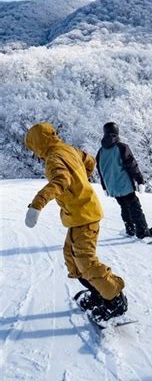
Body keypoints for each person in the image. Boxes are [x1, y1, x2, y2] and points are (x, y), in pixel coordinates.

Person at [24, 122, 128, 324]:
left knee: (85, 261)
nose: (35, 154)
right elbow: (88, 160)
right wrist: (83, 180)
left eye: (33, 149)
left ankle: (114, 298)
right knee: (71, 257)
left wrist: (36, 205)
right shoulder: (68, 149)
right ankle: (99, 292)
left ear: (38, 145)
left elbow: (60, 181)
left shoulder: (53, 159)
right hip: (80, 213)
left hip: (85, 215)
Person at [96, 122, 152, 240]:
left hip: (112, 187)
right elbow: (132, 165)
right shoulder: (121, 147)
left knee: (124, 206)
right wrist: (140, 181)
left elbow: (101, 170)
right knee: (135, 207)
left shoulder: (100, 152)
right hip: (124, 184)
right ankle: (143, 232)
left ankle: (130, 229)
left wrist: (104, 187)